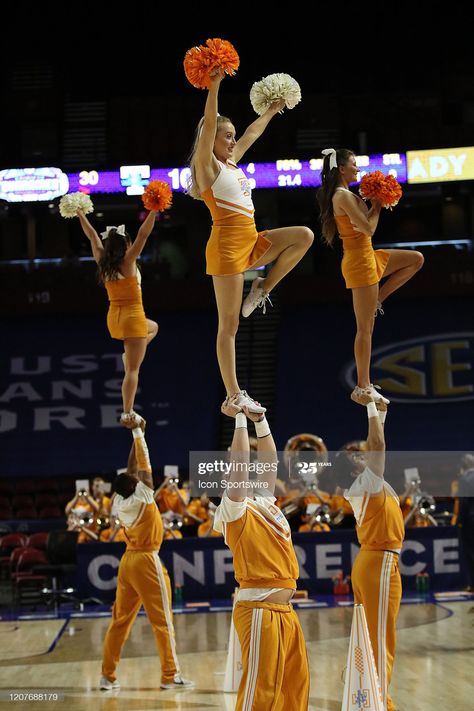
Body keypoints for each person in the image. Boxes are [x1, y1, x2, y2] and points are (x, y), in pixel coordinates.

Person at [187, 71, 314, 413]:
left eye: (232, 137)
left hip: (252, 240)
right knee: (229, 326)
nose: (231, 141)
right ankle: (233, 393)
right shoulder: (207, 166)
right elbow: (210, 123)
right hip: (227, 248)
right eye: (225, 136)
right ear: (210, 138)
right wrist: (214, 85)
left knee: (304, 236)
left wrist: (274, 109)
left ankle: (263, 287)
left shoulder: (231, 162)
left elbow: (252, 132)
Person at [214, 397, 309, 710]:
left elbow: (269, 460)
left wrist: (259, 420)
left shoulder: (265, 503)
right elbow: (239, 465)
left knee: (293, 689)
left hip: (285, 612)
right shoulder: (234, 511)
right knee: (261, 693)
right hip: (258, 611)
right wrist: (239, 419)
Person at [317, 148, 424, 405]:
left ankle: (379, 299)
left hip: (367, 256)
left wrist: (376, 200)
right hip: (359, 261)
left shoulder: (346, 194)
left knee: (416, 260)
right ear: (341, 169)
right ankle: (362, 386)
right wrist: (376, 204)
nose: (358, 168)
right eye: (354, 164)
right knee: (365, 329)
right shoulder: (341, 196)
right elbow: (367, 228)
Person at [319, 395, 403, 711]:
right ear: (354, 470)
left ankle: (363, 684)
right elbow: (377, 444)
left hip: (371, 561)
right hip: (378, 561)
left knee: (371, 633)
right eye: (356, 457)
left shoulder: (365, 482)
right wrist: (370, 405)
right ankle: (381, 699)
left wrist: (380, 411)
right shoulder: (367, 481)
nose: (361, 455)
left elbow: (377, 442)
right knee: (382, 636)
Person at [99, 427, 193, 691]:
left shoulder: (118, 500)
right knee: (162, 621)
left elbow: (131, 469)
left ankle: (107, 676)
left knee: (120, 622)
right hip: (146, 560)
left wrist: (132, 431)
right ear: (134, 485)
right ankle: (170, 675)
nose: (136, 477)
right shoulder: (144, 494)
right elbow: (143, 464)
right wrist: (139, 433)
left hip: (127, 561)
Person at [77, 208, 159, 428]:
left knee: (154, 328)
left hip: (114, 317)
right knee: (133, 370)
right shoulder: (129, 261)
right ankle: (127, 411)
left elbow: (93, 236)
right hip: (133, 317)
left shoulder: (103, 262)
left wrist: (79, 213)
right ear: (125, 245)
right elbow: (144, 234)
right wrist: (154, 210)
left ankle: (128, 356)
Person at [457, 453, 474, 592]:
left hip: (470, 522)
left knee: (469, 552)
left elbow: (463, 501)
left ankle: (472, 585)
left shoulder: (464, 479)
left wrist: (460, 520)